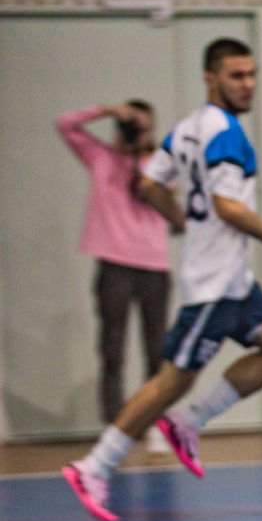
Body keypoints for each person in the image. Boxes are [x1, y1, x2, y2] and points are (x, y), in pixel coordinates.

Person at [61, 38, 262, 521]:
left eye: (251, 74)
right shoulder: (226, 135)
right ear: (210, 77)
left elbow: (149, 183)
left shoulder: (185, 129)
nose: (247, 84)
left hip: (236, 280)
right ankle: (95, 466)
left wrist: (181, 220)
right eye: (236, 75)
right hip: (213, 284)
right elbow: (227, 206)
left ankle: (187, 424)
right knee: (172, 379)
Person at [56, 101, 184, 422]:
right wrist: (108, 110)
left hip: (153, 265)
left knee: (157, 349)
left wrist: (145, 163)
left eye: (144, 126)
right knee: (112, 348)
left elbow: (172, 208)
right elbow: (65, 124)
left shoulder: (161, 164)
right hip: (114, 264)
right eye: (132, 125)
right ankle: (114, 423)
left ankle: (154, 419)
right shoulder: (101, 158)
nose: (138, 131)